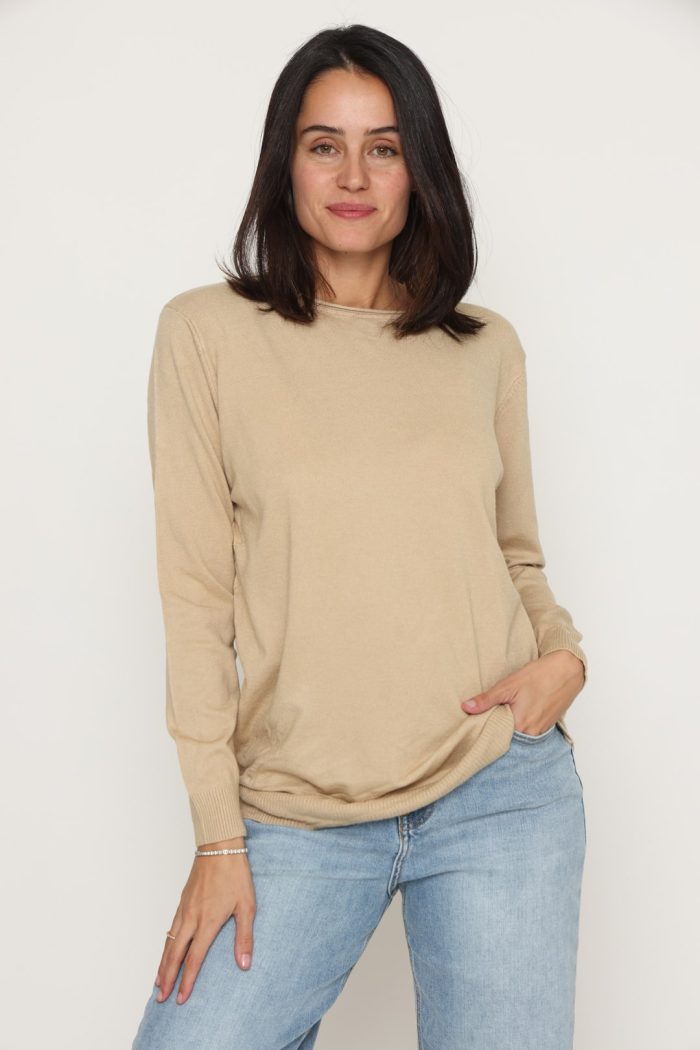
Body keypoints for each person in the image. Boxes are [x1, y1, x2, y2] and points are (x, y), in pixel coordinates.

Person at [131, 23, 588, 1050]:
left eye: (383, 147)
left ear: (418, 169)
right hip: (297, 809)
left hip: (498, 793)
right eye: (322, 144)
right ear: (283, 162)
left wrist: (563, 657)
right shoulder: (205, 335)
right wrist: (218, 838)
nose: (352, 176)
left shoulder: (483, 347)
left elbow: (514, 551)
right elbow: (195, 600)